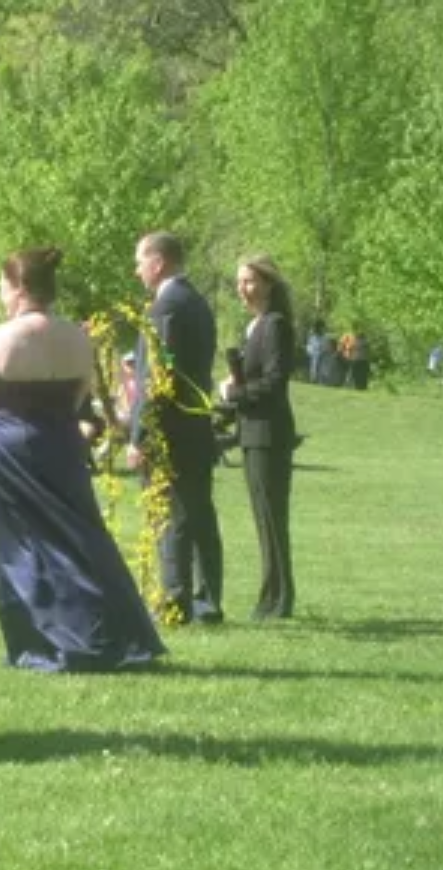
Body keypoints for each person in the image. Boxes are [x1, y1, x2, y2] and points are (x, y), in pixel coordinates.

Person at [0, 247, 165, 672]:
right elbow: (78, 396)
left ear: (18, 288)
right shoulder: (77, 336)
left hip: (8, 443)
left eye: (3, 283)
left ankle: (44, 638)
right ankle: (109, 631)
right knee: (81, 536)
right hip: (60, 441)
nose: (0, 291)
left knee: (20, 543)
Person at [127, 232, 224, 624]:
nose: (136, 270)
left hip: (171, 430)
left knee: (172, 516)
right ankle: (207, 599)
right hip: (196, 425)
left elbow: (159, 378)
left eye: (139, 261)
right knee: (199, 514)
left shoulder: (166, 307)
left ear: (159, 262)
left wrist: (141, 435)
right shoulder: (197, 303)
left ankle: (176, 600)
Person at [220, 255, 298, 620]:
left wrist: (233, 394)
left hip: (269, 434)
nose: (243, 288)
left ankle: (278, 599)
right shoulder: (255, 326)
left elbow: (274, 382)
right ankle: (272, 597)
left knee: (271, 517)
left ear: (268, 284)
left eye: (250, 281)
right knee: (262, 518)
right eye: (240, 281)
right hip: (251, 433)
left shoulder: (275, 325)